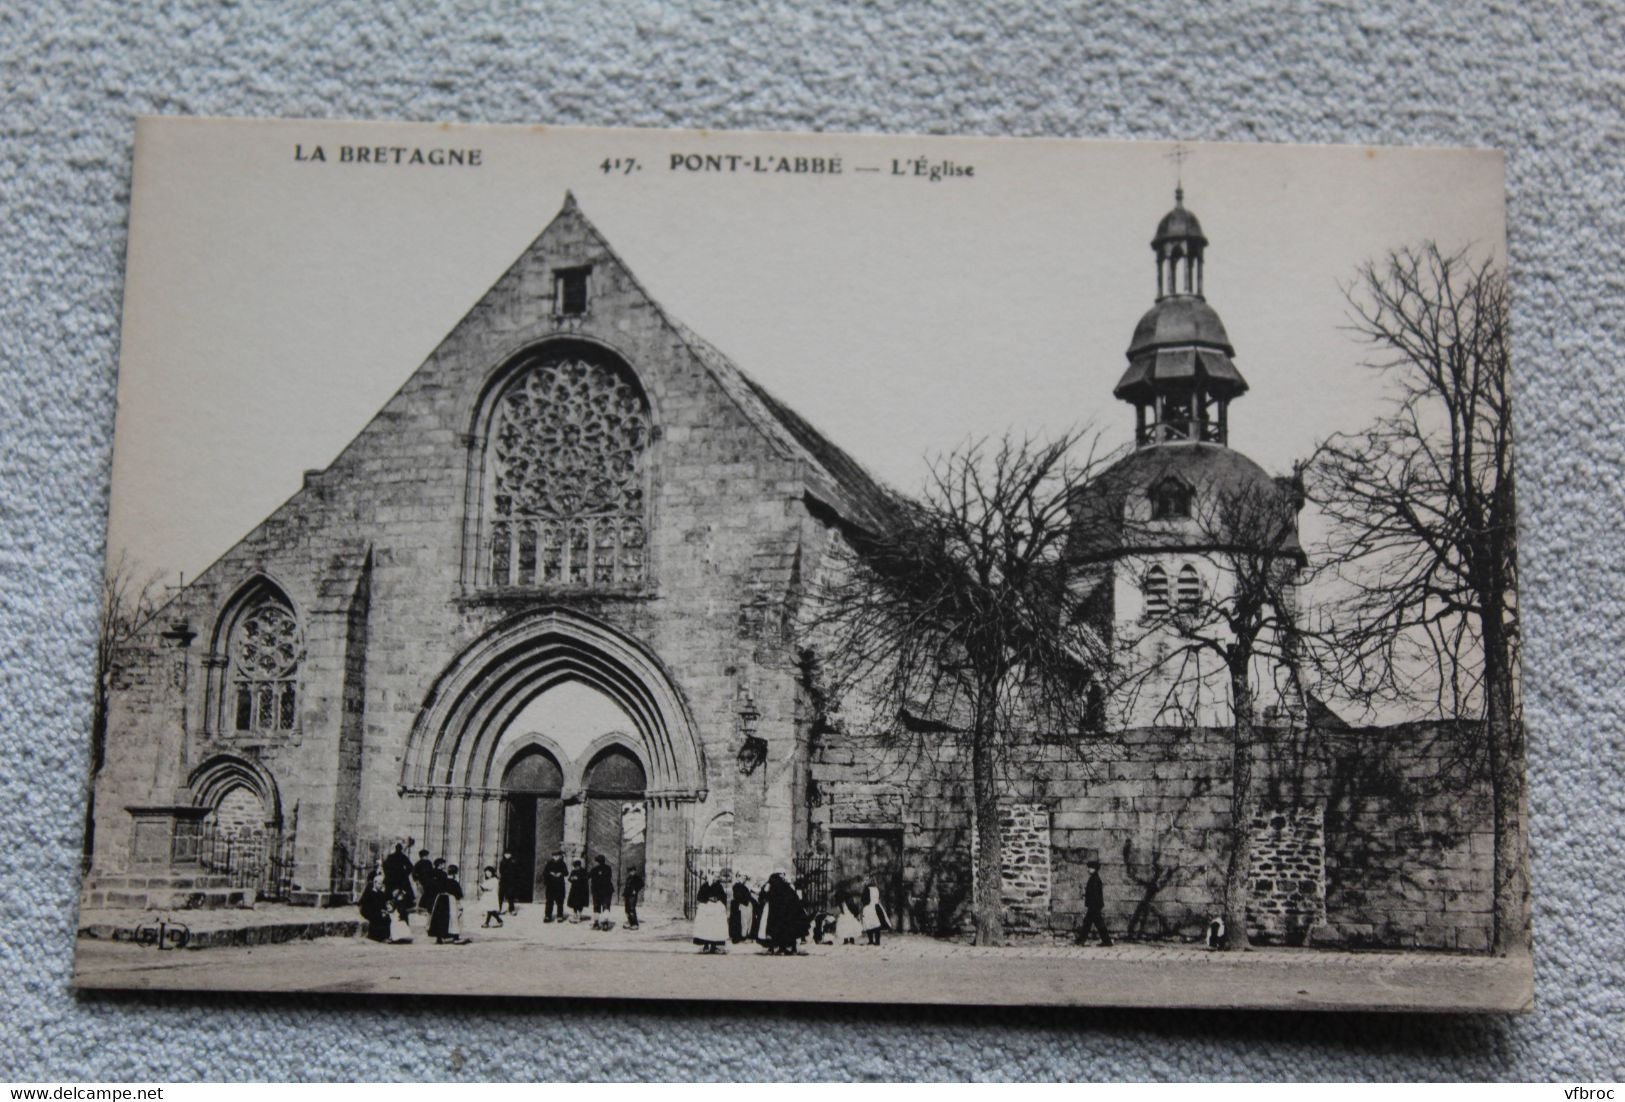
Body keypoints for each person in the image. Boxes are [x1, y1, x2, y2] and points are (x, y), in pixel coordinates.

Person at [757, 872, 807, 955]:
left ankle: (779, 947)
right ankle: (786, 948)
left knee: (777, 930)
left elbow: (764, 896)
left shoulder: (773, 886)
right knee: (785, 930)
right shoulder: (786, 886)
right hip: (786, 912)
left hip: (780, 912)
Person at [1075, 860, 1113, 947]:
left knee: (1088, 923)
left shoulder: (1095, 879)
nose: (1088, 869)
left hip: (1094, 906)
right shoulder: (1094, 878)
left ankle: (1081, 941)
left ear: (1095, 869)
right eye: (1088, 867)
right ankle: (1107, 941)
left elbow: (1094, 894)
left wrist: (1091, 905)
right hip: (1095, 905)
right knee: (1097, 924)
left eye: (1090, 868)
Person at [692, 872, 729, 953]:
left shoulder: (719, 886)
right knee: (706, 927)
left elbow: (723, 896)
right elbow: (700, 896)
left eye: (717, 877)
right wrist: (708, 898)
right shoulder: (705, 886)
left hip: (717, 908)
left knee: (715, 928)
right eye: (715, 876)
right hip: (706, 908)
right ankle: (705, 945)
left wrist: (717, 899)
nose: (716, 878)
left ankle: (714, 946)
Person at [429, 863, 465, 944]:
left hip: (440, 899)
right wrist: (459, 904)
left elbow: (435, 889)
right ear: (456, 873)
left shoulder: (441, 880)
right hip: (450, 900)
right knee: (453, 918)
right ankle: (455, 936)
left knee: (439, 918)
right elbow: (458, 895)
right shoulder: (454, 882)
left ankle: (439, 937)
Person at [358, 868, 392, 943]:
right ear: (375, 883)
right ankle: (376, 937)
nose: (381, 886)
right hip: (370, 911)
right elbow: (367, 905)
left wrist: (385, 910)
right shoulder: (370, 893)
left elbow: (383, 904)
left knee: (387, 918)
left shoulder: (380, 893)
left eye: (382, 884)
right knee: (378, 918)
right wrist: (380, 911)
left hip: (377, 910)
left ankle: (385, 936)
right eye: (379, 884)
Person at [382, 843, 415, 912]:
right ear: (400, 849)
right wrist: (405, 873)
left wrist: (388, 874)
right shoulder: (403, 856)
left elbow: (384, 866)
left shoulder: (391, 856)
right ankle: (404, 906)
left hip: (392, 878)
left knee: (388, 893)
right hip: (401, 878)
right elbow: (411, 867)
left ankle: (388, 906)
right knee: (407, 893)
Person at [589, 854, 615, 930]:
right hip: (607, 890)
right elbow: (609, 877)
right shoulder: (608, 868)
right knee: (606, 906)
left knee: (596, 907)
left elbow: (587, 877)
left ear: (597, 861)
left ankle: (596, 923)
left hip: (597, 890)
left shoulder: (594, 869)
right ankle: (605, 923)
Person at [541, 850, 569, 922]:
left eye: (557, 856)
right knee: (549, 901)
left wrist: (561, 873)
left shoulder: (562, 864)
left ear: (559, 856)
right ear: (552, 856)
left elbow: (566, 873)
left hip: (559, 885)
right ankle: (547, 916)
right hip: (551, 885)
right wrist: (550, 873)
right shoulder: (549, 863)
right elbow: (545, 872)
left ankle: (560, 916)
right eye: (554, 856)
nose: (556, 857)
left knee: (560, 901)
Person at [728, 874, 753, 944]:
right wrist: (745, 902)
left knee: (745, 921)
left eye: (745, 878)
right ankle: (741, 936)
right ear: (738, 877)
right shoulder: (737, 886)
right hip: (740, 905)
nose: (743, 879)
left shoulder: (743, 886)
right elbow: (738, 896)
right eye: (742, 877)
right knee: (742, 921)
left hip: (742, 904)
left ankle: (743, 935)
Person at [411, 848, 435, 913]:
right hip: (428, 882)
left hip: (421, 882)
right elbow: (432, 872)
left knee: (420, 895)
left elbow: (413, 873)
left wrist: (417, 881)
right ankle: (426, 908)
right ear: (425, 855)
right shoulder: (429, 863)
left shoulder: (417, 863)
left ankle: (419, 909)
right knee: (428, 895)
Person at [497, 850, 520, 916]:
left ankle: (511, 909)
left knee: (510, 896)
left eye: (509, 854)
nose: (507, 855)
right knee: (501, 896)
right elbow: (501, 870)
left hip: (511, 882)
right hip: (503, 881)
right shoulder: (502, 862)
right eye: (506, 854)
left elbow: (516, 871)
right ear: (504, 855)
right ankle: (499, 909)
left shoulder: (513, 862)